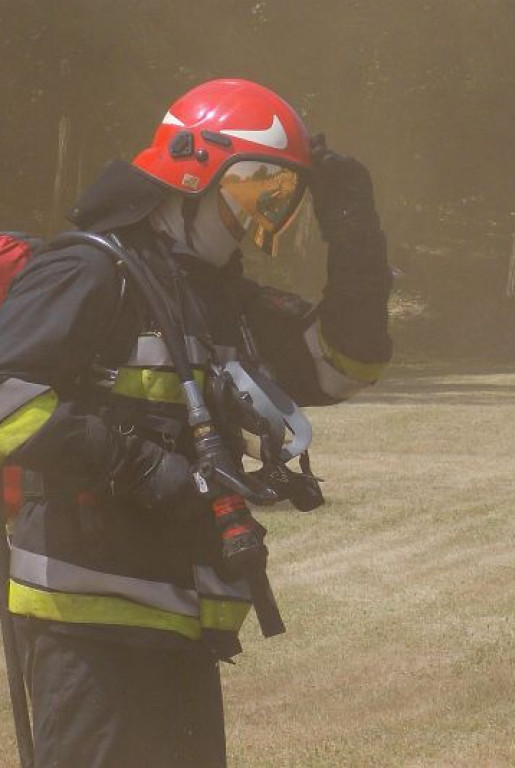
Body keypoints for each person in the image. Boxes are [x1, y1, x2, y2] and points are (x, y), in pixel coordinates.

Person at [0, 79, 393, 765]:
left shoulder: (216, 301)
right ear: (192, 172)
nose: (264, 214)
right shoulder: (93, 270)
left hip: (178, 628)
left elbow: (342, 365)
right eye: (254, 190)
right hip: (90, 630)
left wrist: (356, 237)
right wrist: (140, 465)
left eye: (282, 198)